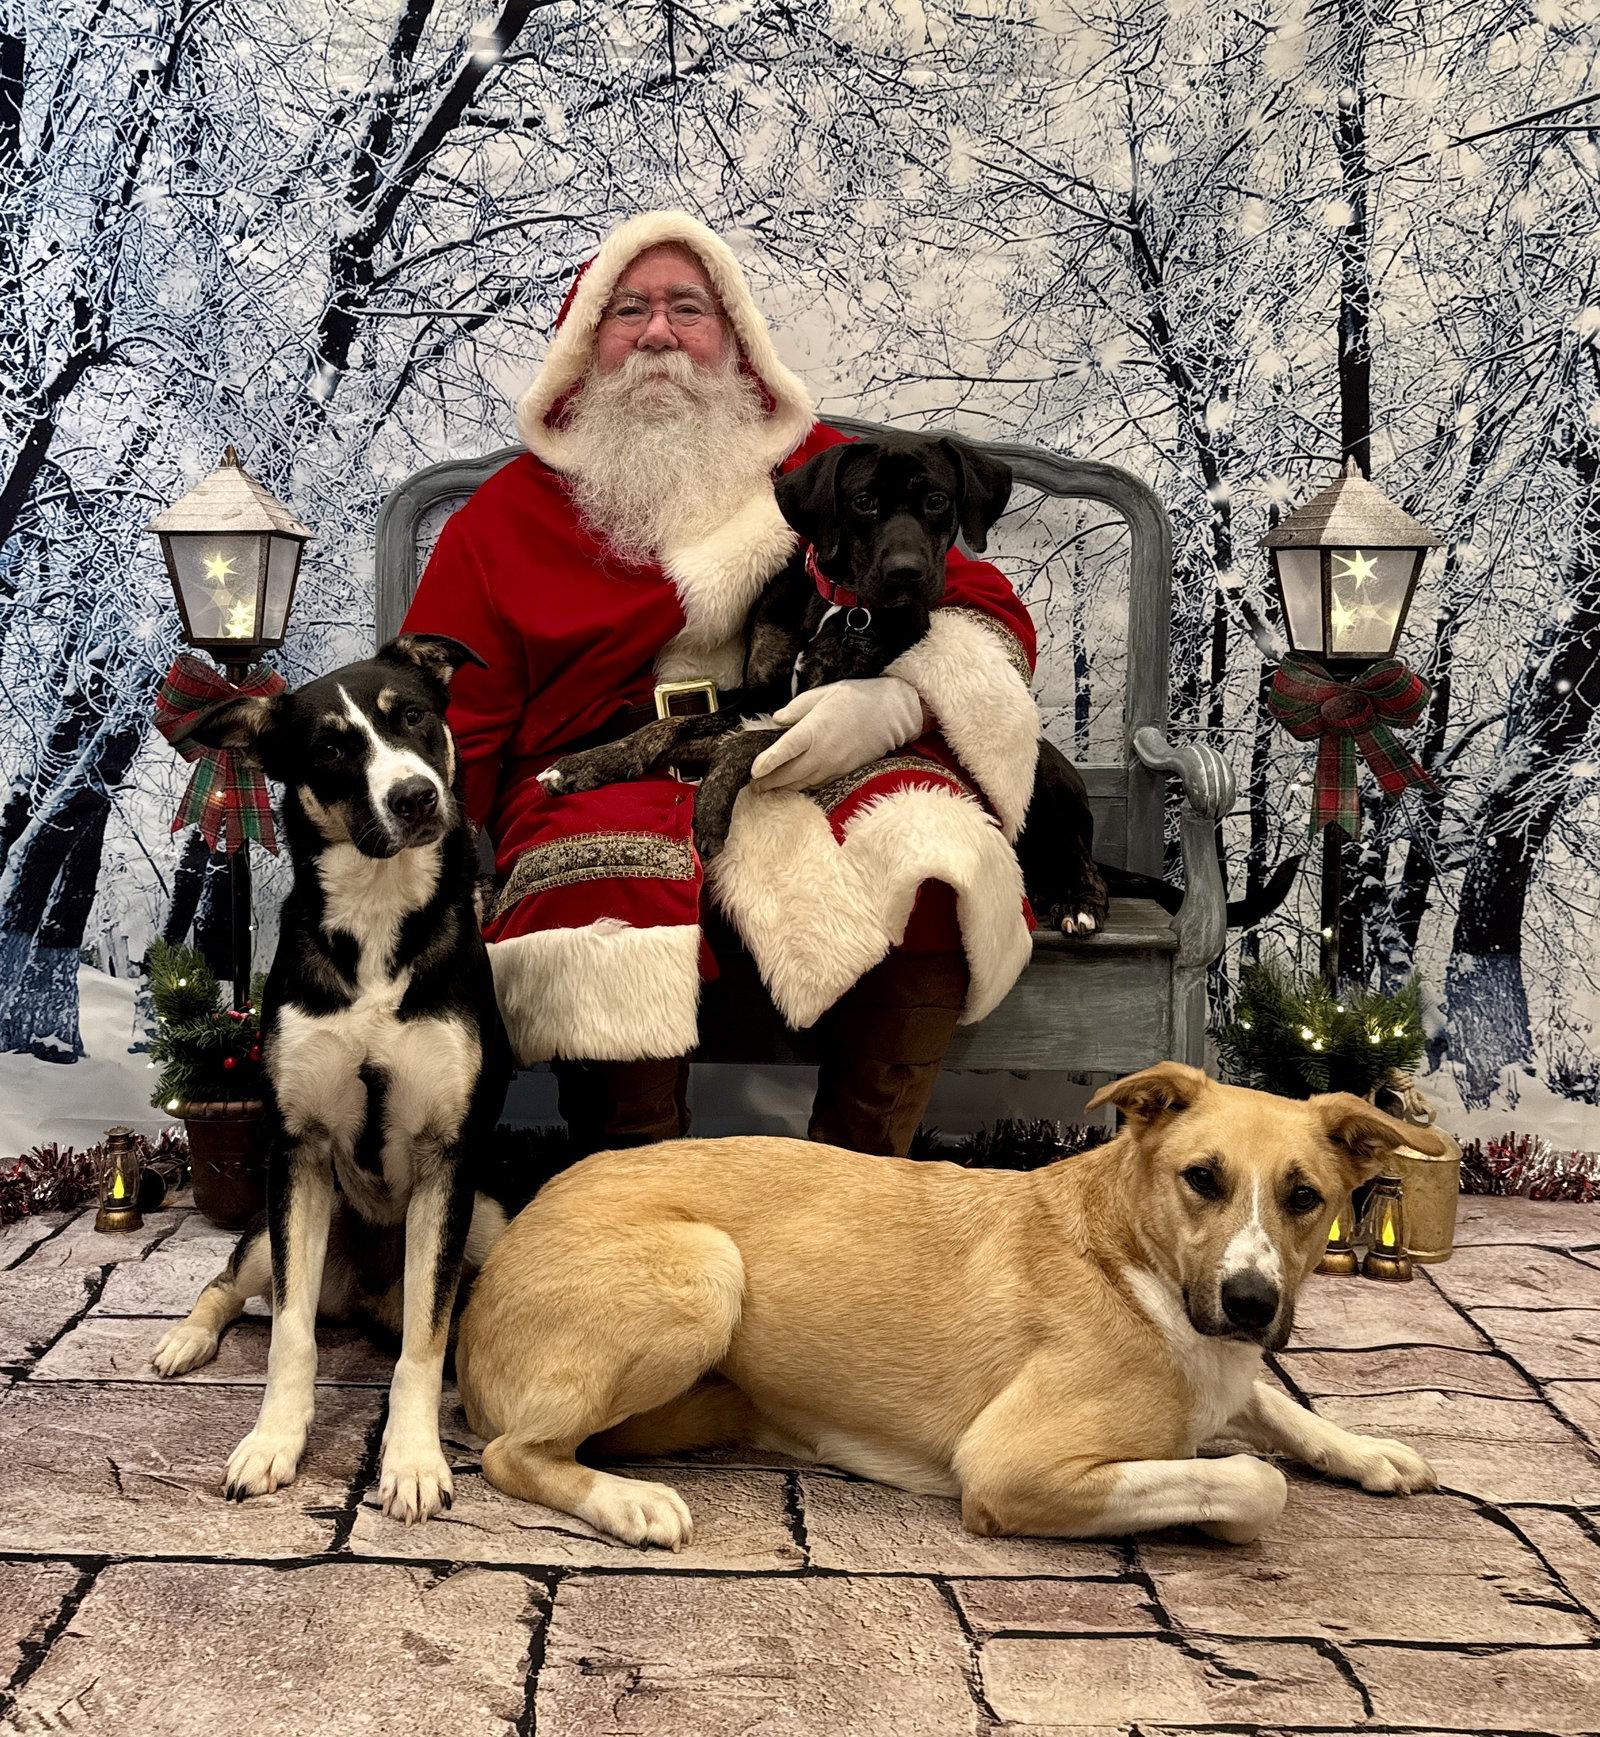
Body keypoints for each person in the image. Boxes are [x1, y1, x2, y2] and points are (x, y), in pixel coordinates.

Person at [402, 211, 1040, 1156]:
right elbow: (448, 717)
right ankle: (638, 1194)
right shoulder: (503, 519)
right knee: (604, 888)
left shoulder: (813, 467)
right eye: (629, 310)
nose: (658, 333)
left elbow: (986, 608)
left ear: (734, 336)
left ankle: (854, 1188)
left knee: (936, 845)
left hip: (791, 756)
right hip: (597, 765)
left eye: (687, 308)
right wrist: (442, 872)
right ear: (585, 344)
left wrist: (894, 703)